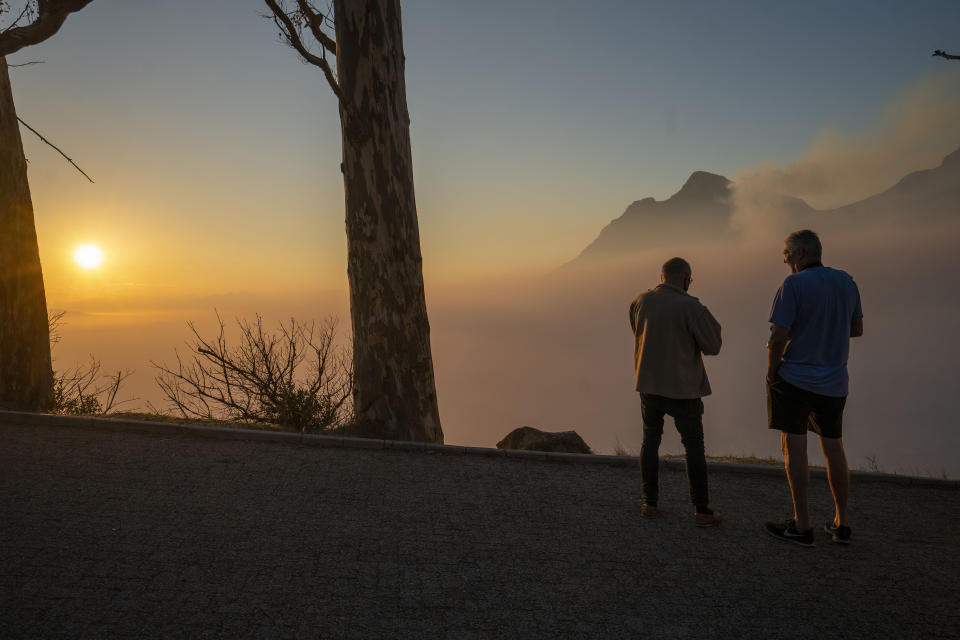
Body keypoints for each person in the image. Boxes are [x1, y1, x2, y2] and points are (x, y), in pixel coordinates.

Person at [764, 230, 863, 547]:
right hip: (835, 380)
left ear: (801, 253)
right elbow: (856, 329)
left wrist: (771, 373)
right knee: (834, 448)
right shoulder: (847, 281)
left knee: (794, 447)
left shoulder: (793, 285)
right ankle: (842, 522)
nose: (784, 259)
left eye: (786, 253)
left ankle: (802, 525)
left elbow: (778, 336)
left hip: (795, 379)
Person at [629, 257, 723, 527]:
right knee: (694, 447)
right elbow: (713, 345)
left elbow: (637, 329)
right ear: (684, 277)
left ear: (662, 276)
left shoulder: (641, 301)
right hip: (684, 388)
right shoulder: (691, 307)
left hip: (649, 384)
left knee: (650, 441)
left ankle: (650, 503)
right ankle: (702, 510)